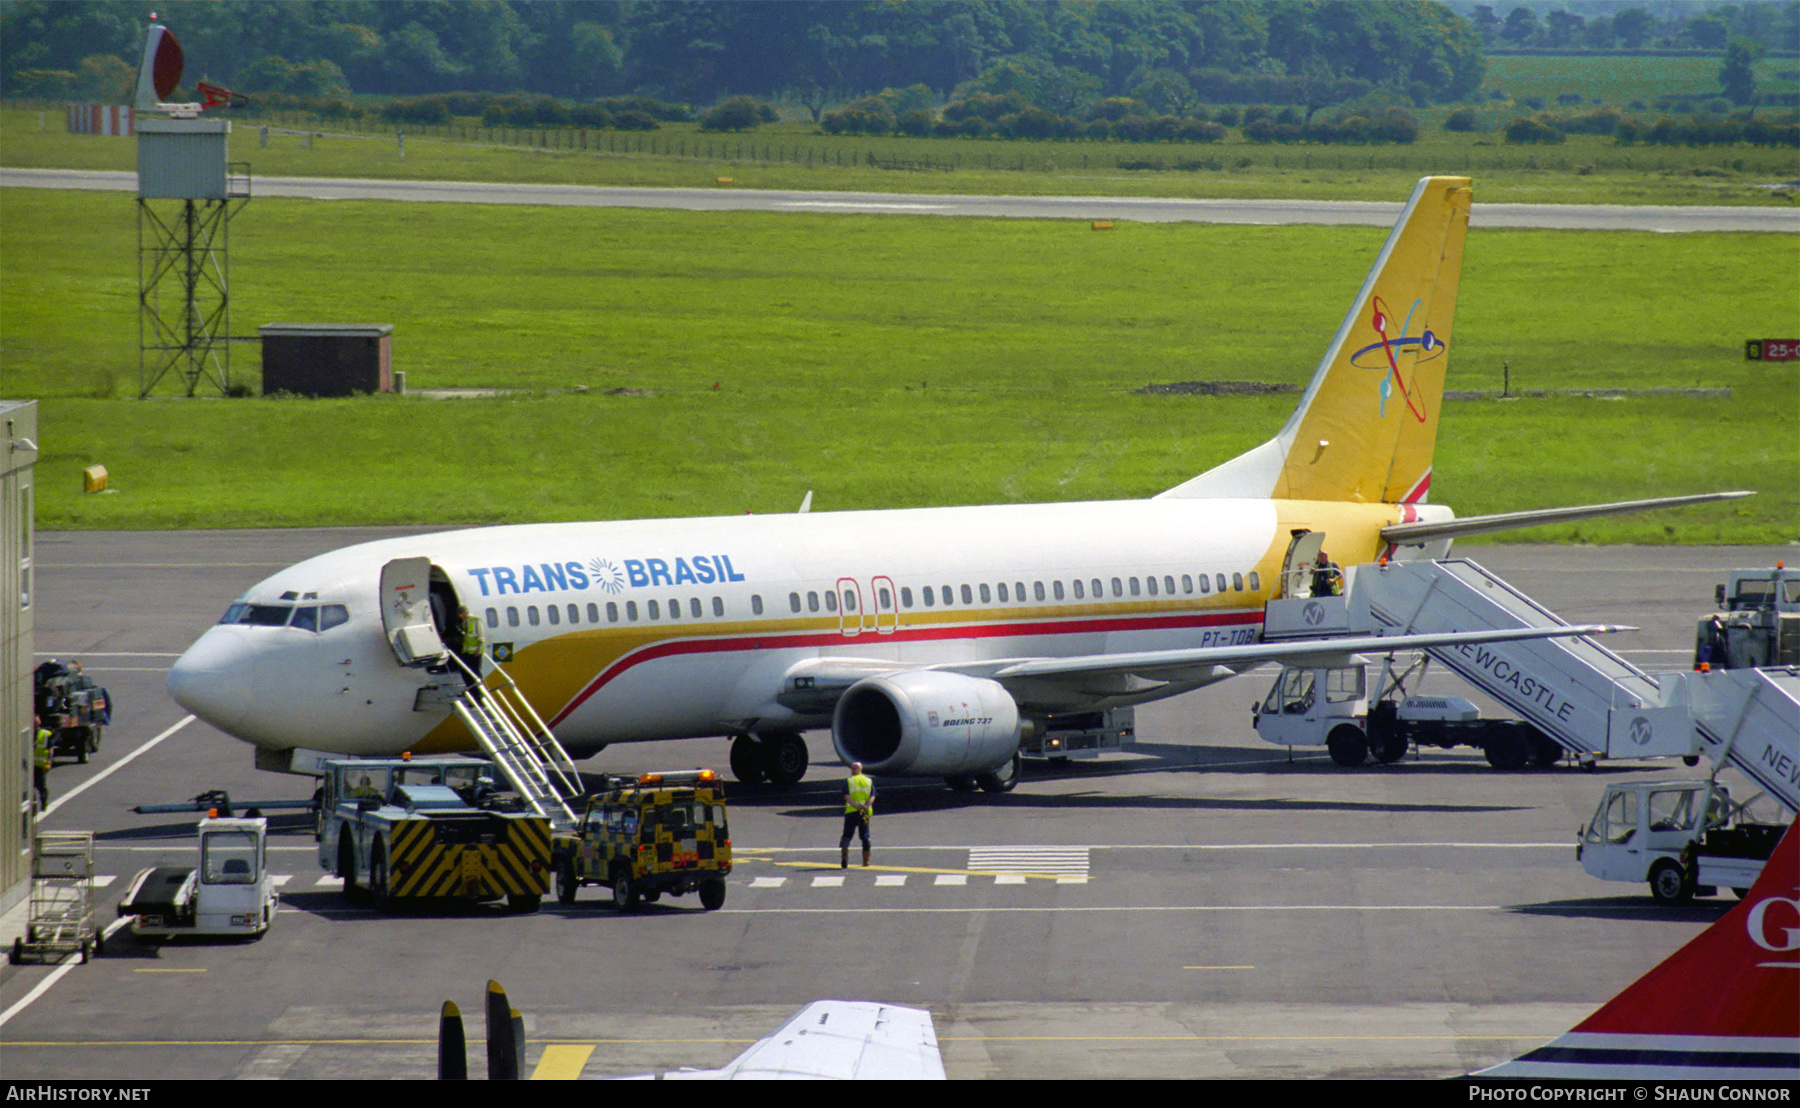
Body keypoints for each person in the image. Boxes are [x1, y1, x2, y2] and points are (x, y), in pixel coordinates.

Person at [840, 761, 874, 869]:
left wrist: (856, 806)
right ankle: (866, 861)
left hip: (851, 812)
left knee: (847, 835)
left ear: (853, 770)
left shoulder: (849, 781)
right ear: (861, 770)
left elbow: (847, 797)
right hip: (864, 812)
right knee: (865, 836)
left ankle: (844, 855)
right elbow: (873, 796)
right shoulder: (868, 781)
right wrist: (866, 806)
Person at [455, 606, 485, 686]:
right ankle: (469, 686)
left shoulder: (476, 620)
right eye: (460, 615)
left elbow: (481, 637)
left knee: (475, 671)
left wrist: (478, 650)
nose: (461, 617)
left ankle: (478, 689)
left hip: (475, 652)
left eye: (462, 615)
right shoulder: (464, 622)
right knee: (464, 670)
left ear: (466, 613)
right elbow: (467, 636)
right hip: (467, 651)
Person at [32, 715, 53, 812]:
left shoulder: (45, 734)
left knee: (41, 786)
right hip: (30, 766)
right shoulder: (29, 733)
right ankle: (33, 804)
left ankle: (43, 803)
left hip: (41, 765)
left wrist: (49, 762)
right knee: (30, 786)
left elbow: (50, 749)